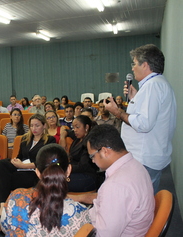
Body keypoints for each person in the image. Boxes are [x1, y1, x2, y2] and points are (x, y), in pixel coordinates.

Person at [104, 44, 176, 194]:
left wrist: (118, 112)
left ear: (145, 65)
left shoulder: (153, 86)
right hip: (149, 155)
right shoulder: (158, 84)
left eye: (134, 63)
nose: (132, 68)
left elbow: (144, 124)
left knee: (140, 201)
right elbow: (149, 114)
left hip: (145, 157)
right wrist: (135, 98)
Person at [71, 124, 154, 236]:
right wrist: (77, 198)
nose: (93, 161)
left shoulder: (116, 185)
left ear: (105, 151)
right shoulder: (134, 165)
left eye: (92, 156)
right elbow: (106, 199)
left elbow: (103, 235)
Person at [0, 144, 91, 236]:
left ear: (37, 172)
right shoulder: (82, 214)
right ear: (69, 170)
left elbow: (4, 227)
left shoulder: (16, 198)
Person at [0, 114, 56, 235]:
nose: (34, 128)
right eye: (31, 125)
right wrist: (16, 161)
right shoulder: (25, 139)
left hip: (34, 173)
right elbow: (20, 157)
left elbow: (45, 163)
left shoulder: (50, 140)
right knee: (2, 164)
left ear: (44, 126)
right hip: (20, 168)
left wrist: (23, 166)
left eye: (37, 125)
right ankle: (2, 206)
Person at [61, 115, 97, 192]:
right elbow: (66, 131)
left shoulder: (89, 143)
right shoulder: (78, 138)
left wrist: (65, 168)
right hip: (73, 171)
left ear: (86, 127)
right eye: (73, 127)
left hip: (87, 176)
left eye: (77, 127)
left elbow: (83, 166)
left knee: (57, 182)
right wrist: (62, 139)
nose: (74, 130)